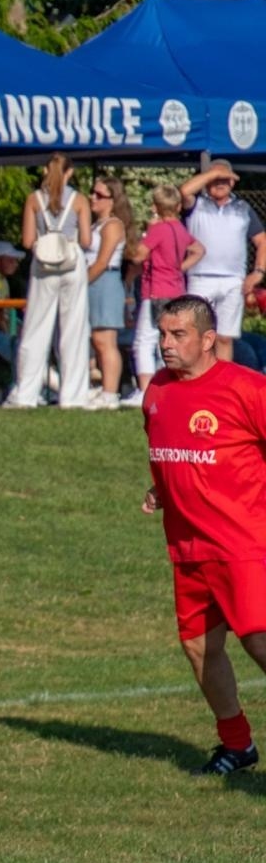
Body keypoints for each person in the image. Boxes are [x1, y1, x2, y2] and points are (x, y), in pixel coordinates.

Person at [140, 294, 266, 776]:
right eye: (163, 334)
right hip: (188, 547)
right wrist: (162, 488)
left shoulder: (246, 389)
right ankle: (238, 745)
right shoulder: (157, 390)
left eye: (179, 334)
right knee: (199, 646)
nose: (166, 344)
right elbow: (174, 452)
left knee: (259, 641)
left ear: (208, 338)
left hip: (243, 544)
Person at [6, 152, 93, 409]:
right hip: (71, 261)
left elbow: (26, 241)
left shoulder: (34, 199)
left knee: (35, 328)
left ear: (45, 171)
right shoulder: (79, 200)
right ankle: (73, 396)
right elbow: (86, 240)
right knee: (73, 330)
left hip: (43, 262)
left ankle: (26, 393)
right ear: (70, 173)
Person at [179, 159, 266, 363]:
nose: (220, 183)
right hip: (200, 278)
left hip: (233, 280)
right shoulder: (196, 205)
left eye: (225, 179)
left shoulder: (243, 208)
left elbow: (262, 240)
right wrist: (214, 173)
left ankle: (221, 379)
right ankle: (197, 378)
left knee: (224, 338)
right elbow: (183, 191)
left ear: (233, 182)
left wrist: (258, 272)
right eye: (215, 179)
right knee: (197, 334)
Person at [126, 186, 205, 407]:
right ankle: (170, 387)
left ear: (155, 206)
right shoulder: (180, 228)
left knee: (145, 340)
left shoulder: (158, 229)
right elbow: (199, 250)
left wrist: (136, 242)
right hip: (177, 289)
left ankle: (145, 390)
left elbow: (139, 256)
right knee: (170, 340)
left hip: (156, 290)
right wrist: (180, 267)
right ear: (178, 206)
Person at [85, 176, 131, 409]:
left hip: (105, 281)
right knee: (95, 339)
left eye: (100, 195)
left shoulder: (113, 225)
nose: (93, 198)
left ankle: (110, 393)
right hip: (94, 280)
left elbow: (102, 261)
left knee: (105, 340)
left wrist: (81, 283)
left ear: (112, 200)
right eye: (92, 193)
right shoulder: (95, 225)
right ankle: (101, 388)